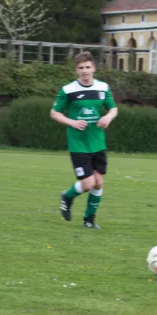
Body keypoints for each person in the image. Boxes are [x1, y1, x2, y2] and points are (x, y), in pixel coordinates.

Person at [50, 51, 118, 229]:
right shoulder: (68, 90)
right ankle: (67, 196)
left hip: (98, 142)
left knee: (99, 182)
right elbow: (54, 113)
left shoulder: (103, 88)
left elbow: (113, 109)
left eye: (88, 67)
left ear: (94, 68)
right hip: (78, 144)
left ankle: (89, 220)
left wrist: (108, 118)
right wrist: (71, 122)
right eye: (81, 68)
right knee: (88, 184)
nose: (85, 71)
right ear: (76, 70)